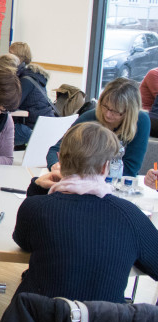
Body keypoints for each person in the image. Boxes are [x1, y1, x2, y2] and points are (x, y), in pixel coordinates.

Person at [12, 122, 158, 302]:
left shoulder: (35, 207)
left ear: (59, 160)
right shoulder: (130, 216)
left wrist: (36, 187)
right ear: (105, 167)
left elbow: (24, 241)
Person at [47, 77, 149, 178]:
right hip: (85, 180)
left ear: (129, 112)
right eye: (105, 106)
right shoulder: (91, 116)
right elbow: (55, 150)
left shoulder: (141, 121)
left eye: (115, 111)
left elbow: (130, 169)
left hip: (119, 184)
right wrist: (55, 165)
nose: (108, 114)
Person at [0, 53, 56, 146]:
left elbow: (12, 105)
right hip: (42, 125)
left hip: (32, 129)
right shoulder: (31, 76)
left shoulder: (24, 81)